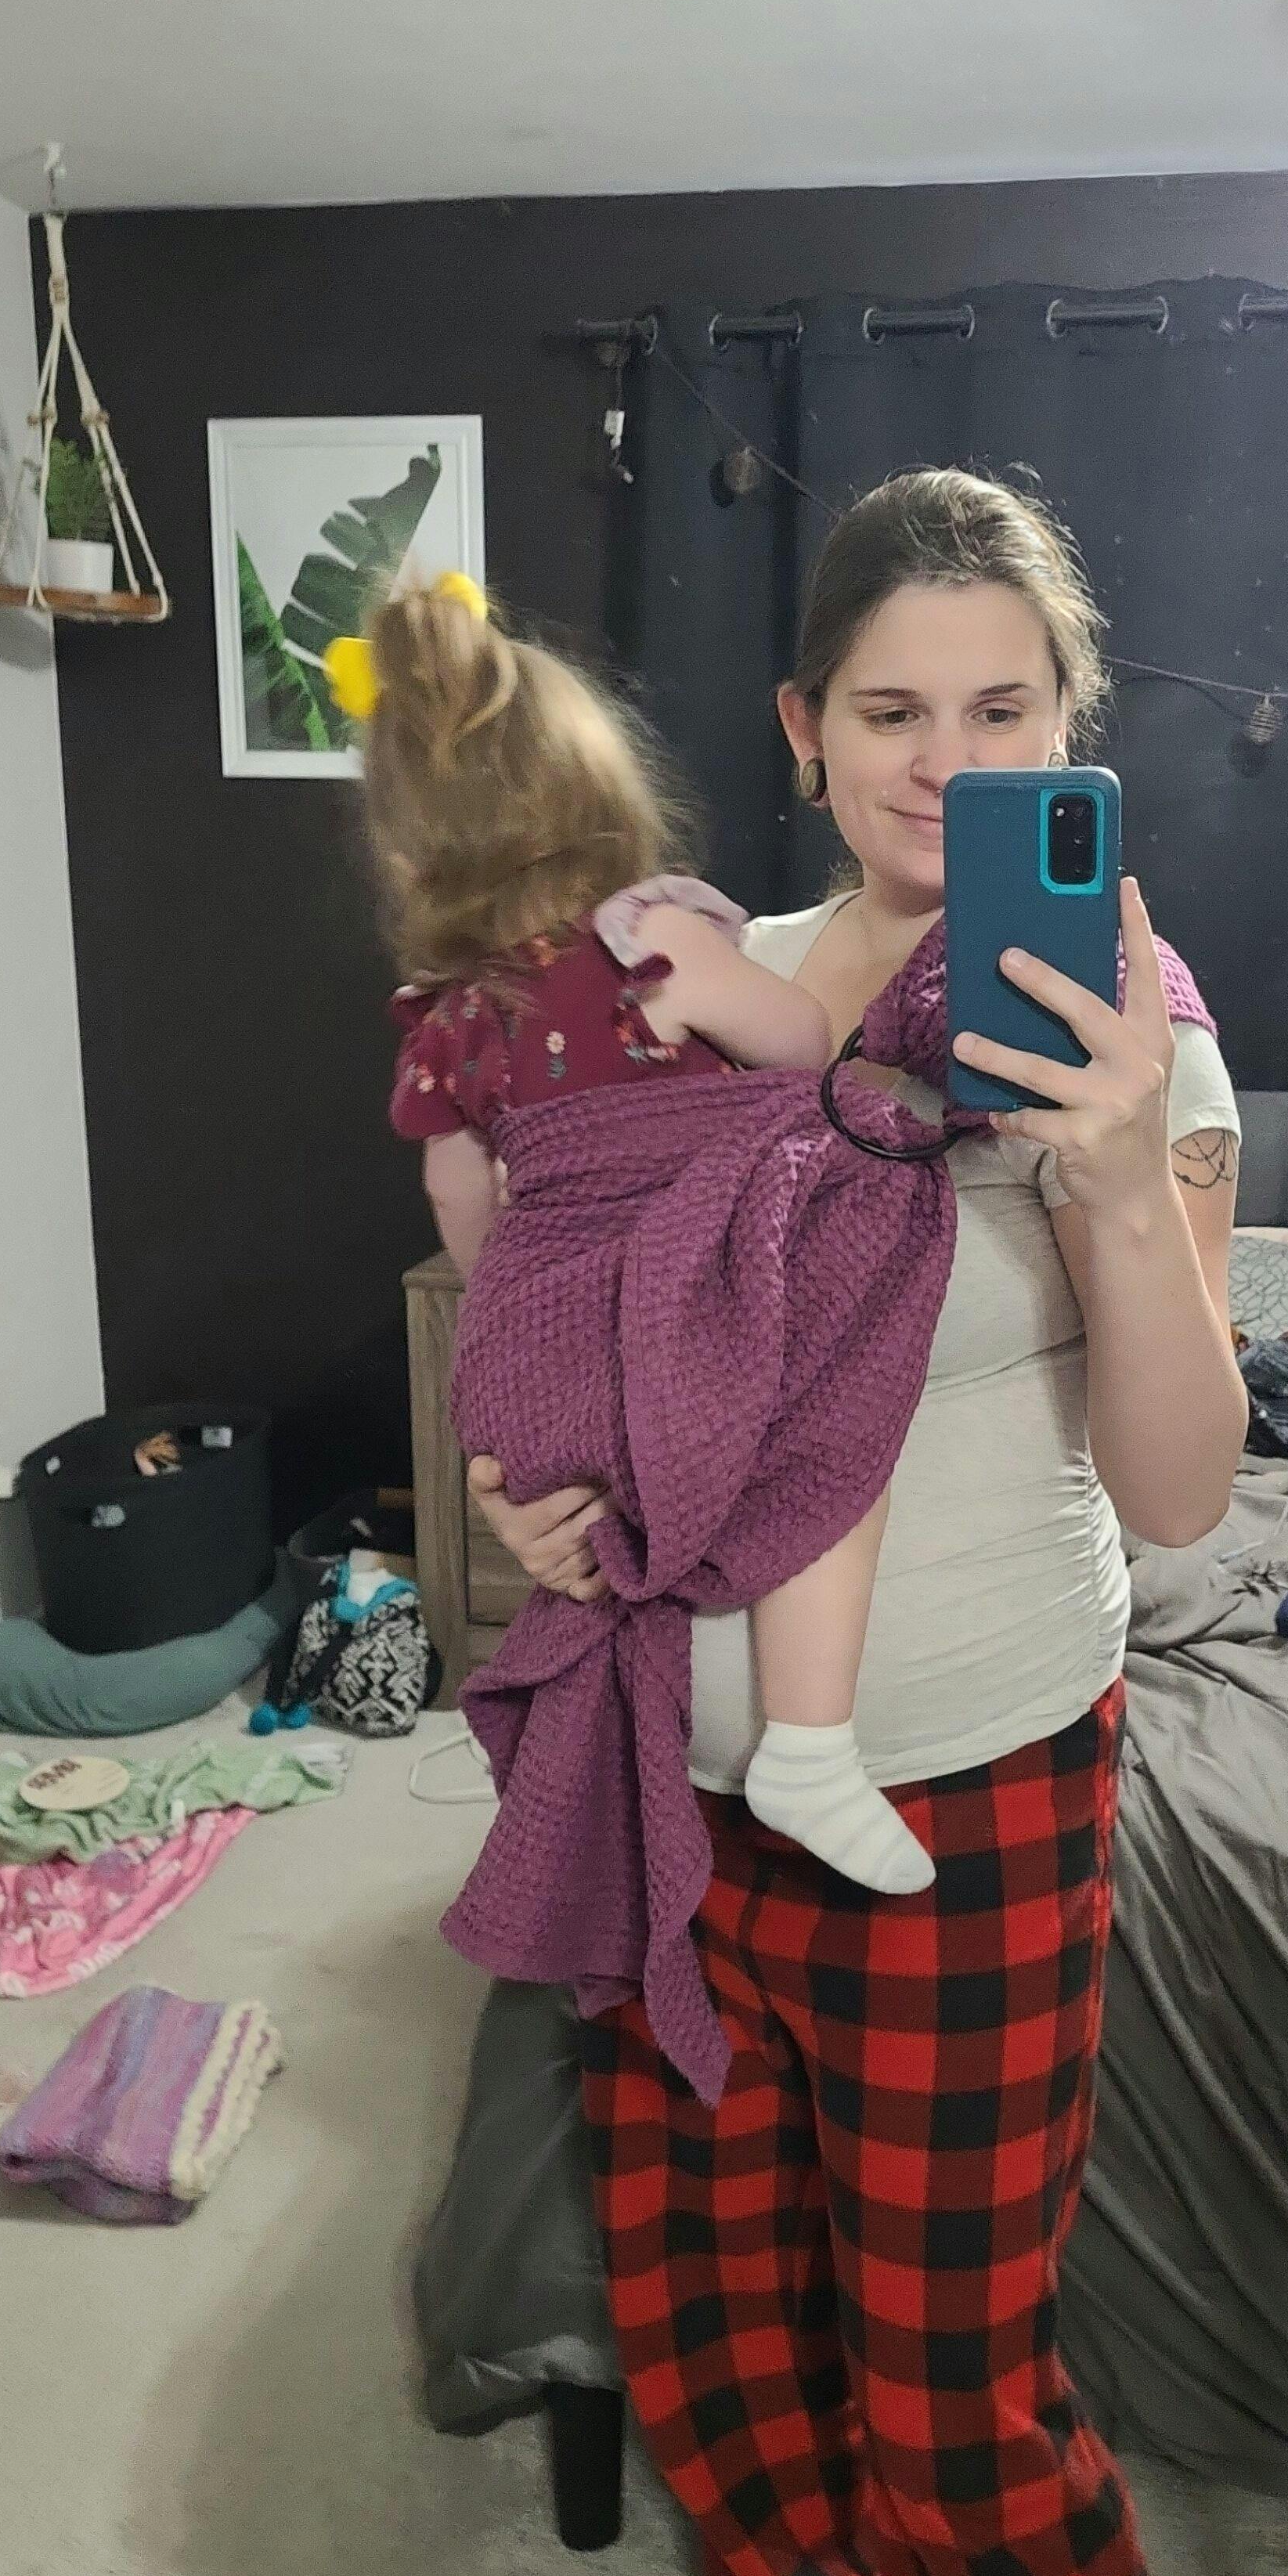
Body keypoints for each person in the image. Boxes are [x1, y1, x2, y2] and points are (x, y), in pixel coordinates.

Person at [469, 467, 1245, 2576]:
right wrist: (531, 1502)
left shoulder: (1135, 1021)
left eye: (1004, 708)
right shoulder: (708, 985)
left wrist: (1110, 1178)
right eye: (894, 710)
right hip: (669, 1787)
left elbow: (1185, 1490)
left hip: (977, 1800)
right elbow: (600, 1310)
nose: (946, 758)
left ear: (1070, 726)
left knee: (952, 2410)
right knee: (706, 2332)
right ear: (806, 731)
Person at [359, 570, 940, 1896]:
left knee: (604, 1520)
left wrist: (518, 1306)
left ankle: (619, 1776)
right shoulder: (652, 939)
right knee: (832, 1435)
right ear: (597, 798)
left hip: (543, 1352)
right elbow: (802, 1045)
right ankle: (809, 1744)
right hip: (680, 1302)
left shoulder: (447, 1019)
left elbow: (460, 1202)